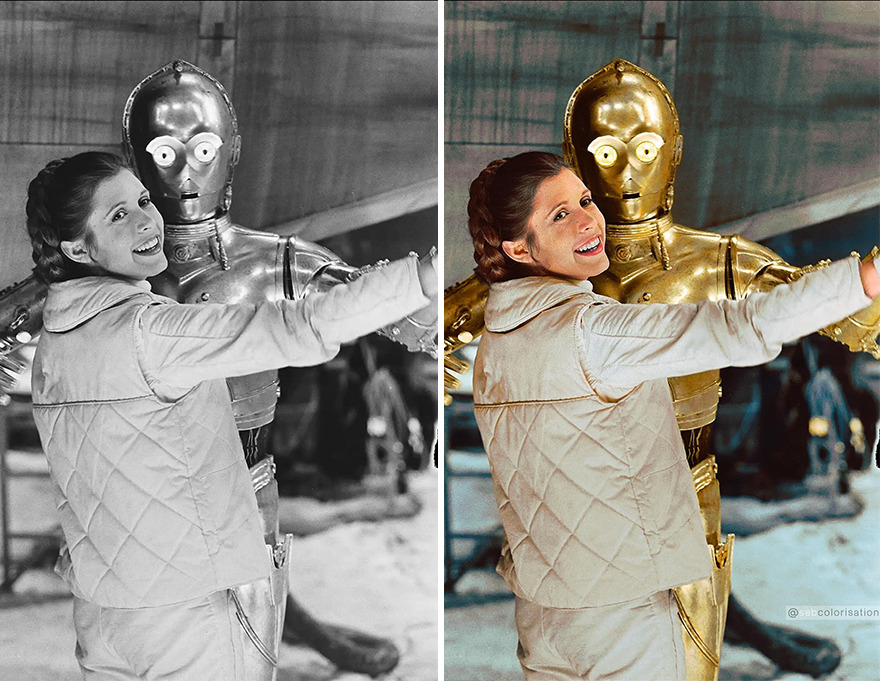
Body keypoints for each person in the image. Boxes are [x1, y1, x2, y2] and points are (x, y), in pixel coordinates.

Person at [465, 150, 879, 681]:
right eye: (559, 215)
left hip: (543, 613)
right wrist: (865, 279)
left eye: (585, 201)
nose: (589, 219)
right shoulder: (594, 332)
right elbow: (742, 325)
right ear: (518, 247)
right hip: (621, 618)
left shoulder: (496, 344)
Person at [24, 150, 436, 681]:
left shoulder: (55, 345)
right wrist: (420, 278)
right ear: (77, 247)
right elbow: (300, 325)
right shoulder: (151, 332)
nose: (148, 219)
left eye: (143, 201)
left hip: (103, 613)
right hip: (187, 617)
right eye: (118, 215)